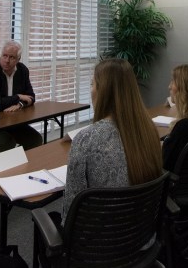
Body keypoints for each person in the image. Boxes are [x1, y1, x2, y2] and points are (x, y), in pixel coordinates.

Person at [63, 58, 163, 216]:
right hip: (142, 226)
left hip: (99, 230)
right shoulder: (148, 130)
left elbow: (70, 211)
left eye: (92, 84)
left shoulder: (85, 139)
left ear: (102, 91)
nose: (91, 90)